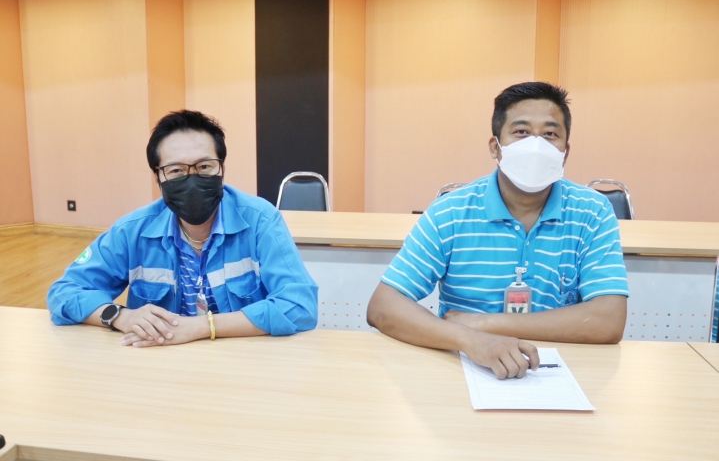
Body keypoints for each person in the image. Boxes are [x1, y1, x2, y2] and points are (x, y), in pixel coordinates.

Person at [367, 82, 629, 379]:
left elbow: (609, 320)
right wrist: (469, 339)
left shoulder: (592, 212)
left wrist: (484, 324)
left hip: (561, 373)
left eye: (550, 134)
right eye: (521, 132)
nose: (536, 145)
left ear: (565, 152)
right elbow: (383, 306)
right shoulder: (450, 212)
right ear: (496, 147)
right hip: (464, 368)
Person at [48, 110, 318, 347]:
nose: (191, 178)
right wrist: (120, 316)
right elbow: (65, 292)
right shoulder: (132, 231)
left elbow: (300, 306)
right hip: (159, 366)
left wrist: (202, 327)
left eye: (204, 166)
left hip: (246, 361)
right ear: (158, 176)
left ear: (221, 168)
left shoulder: (260, 221)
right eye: (176, 170)